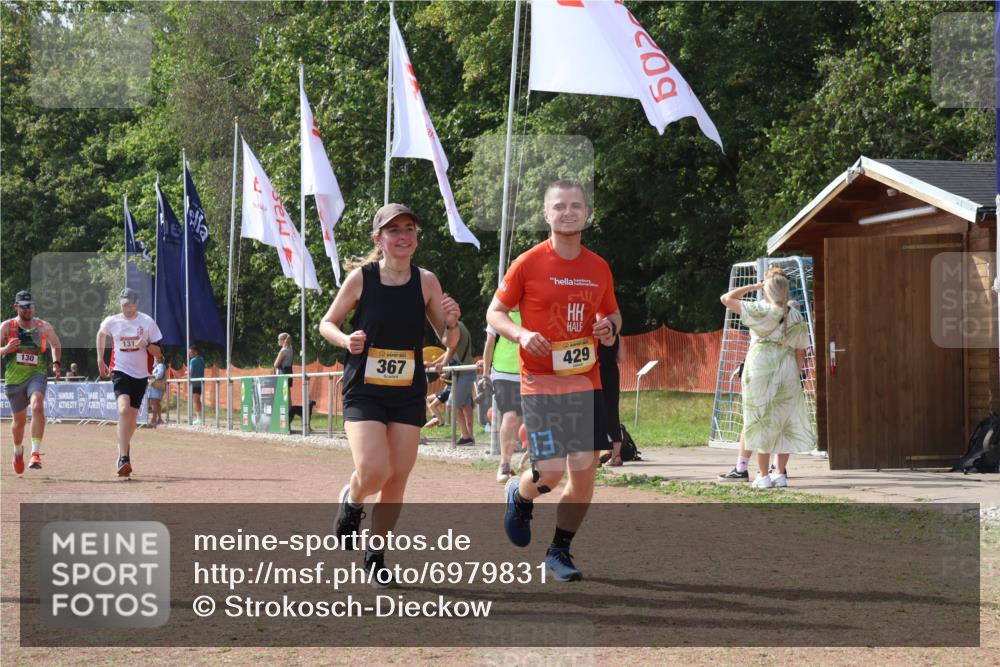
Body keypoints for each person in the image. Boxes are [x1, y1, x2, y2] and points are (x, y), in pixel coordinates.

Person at [487, 180, 621, 582]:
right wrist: (522, 335)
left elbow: (614, 315)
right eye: (559, 206)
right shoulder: (528, 263)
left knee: (584, 470)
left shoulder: (598, 267)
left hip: (585, 382)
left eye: (576, 206)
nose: (568, 212)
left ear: (587, 214)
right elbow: (496, 312)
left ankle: (559, 550)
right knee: (549, 473)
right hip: (541, 384)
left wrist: (609, 330)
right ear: (546, 214)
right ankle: (519, 494)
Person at [319, 203, 460, 585]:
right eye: (394, 230)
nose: (403, 236)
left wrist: (452, 323)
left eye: (409, 229)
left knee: (398, 476)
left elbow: (447, 340)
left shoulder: (427, 281)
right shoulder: (361, 279)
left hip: (406, 390)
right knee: (375, 469)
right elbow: (326, 323)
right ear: (379, 239)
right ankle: (352, 498)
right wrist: (346, 339)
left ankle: (376, 554)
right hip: (364, 388)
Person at [720, 267, 813, 488]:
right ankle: (779, 473)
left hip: (760, 366)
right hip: (787, 367)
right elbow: (801, 350)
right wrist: (797, 374)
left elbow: (726, 298)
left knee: (759, 418)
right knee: (784, 420)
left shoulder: (760, 310)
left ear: (768, 289)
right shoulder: (795, 314)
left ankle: (762, 475)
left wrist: (754, 286)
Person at [97, 287, 162, 477]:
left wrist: (147, 345)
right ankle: (124, 457)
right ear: (120, 303)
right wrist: (100, 359)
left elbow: (159, 354)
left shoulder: (147, 322)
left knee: (132, 418)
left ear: (137, 303)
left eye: (131, 305)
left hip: (141, 375)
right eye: (125, 305)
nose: (128, 308)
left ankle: (122, 449)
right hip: (120, 370)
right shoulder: (112, 321)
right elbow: (101, 334)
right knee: (123, 410)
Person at [2, 291, 62, 473]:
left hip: (37, 375)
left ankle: (35, 453)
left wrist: (56, 364)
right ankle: (18, 451)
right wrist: (5, 349)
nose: (28, 310)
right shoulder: (7, 327)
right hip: (14, 380)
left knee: (37, 406)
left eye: (30, 306)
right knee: (18, 423)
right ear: (16, 307)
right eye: (24, 307)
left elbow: (56, 345)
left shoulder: (44, 326)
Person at [482, 309, 523, 483]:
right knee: (511, 417)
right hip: (502, 373)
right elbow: (489, 344)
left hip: (525, 372)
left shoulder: (531, 310)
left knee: (518, 420)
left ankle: (512, 462)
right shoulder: (498, 313)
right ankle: (504, 465)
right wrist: (485, 374)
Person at [428, 320, 475, 445]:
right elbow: (449, 350)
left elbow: (451, 349)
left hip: (463, 372)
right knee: (464, 404)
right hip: (465, 371)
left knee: (451, 404)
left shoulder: (453, 327)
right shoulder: (459, 325)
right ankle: (469, 435)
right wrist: (434, 364)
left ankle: (466, 437)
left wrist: (442, 364)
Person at [597, 332, 624, 467]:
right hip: (612, 373)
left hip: (596, 373)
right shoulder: (616, 334)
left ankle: (595, 458)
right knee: (613, 413)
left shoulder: (593, 332)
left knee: (595, 414)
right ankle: (616, 456)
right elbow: (621, 357)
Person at [147, 352, 167, 427]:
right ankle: (159, 419)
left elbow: (159, 375)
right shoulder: (158, 366)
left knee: (154, 403)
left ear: (159, 358)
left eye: (156, 357)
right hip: (155, 387)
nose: (155, 358)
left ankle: (154, 419)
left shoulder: (161, 365)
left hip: (156, 387)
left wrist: (151, 376)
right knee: (156, 403)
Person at [187, 345, 205, 425]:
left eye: (190, 352)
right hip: (200, 383)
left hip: (194, 384)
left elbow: (191, 372)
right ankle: (200, 418)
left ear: (195, 352)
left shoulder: (193, 361)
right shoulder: (202, 359)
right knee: (198, 401)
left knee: (196, 401)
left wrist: (186, 372)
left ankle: (199, 419)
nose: (189, 354)